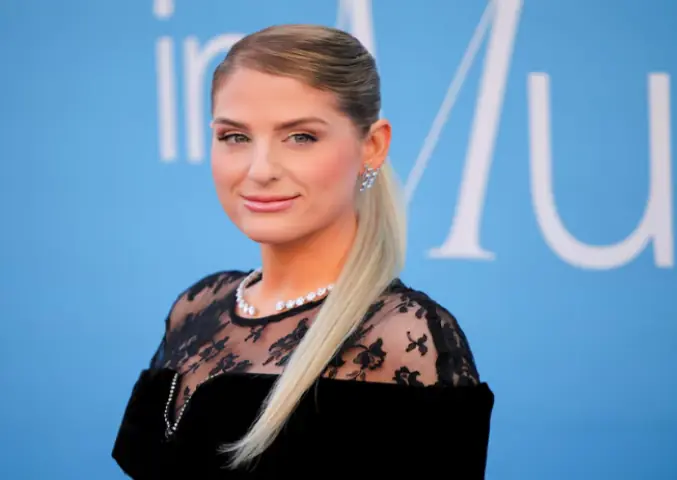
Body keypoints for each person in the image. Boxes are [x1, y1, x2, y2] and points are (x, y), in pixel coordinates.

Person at [112, 24, 494, 478]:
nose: (259, 170)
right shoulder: (198, 306)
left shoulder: (400, 336)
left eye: (300, 137)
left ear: (372, 146)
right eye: (235, 137)